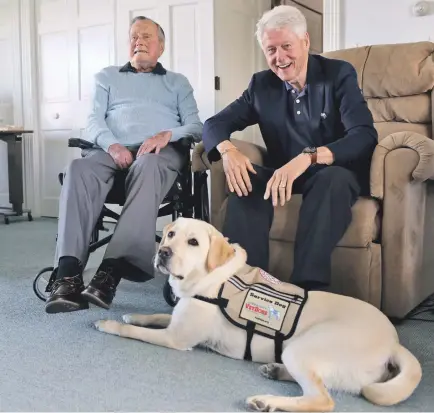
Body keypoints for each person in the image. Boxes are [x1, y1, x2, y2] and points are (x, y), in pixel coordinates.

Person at [202, 5, 378, 292]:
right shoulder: (261, 85)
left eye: (287, 46)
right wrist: (228, 151)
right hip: (283, 175)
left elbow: (364, 135)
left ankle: (307, 288)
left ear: (305, 42)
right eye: (271, 49)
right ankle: (244, 283)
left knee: (332, 179)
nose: (279, 58)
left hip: (333, 172)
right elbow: (213, 124)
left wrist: (309, 157)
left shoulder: (338, 74)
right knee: (245, 182)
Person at [45, 16, 203, 314]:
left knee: (149, 164)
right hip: (112, 152)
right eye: (133, 36)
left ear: (161, 46)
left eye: (146, 36)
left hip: (158, 154)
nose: (138, 41)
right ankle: (67, 274)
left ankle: (110, 271)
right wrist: (111, 144)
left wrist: (167, 134)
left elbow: (196, 126)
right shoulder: (107, 77)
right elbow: (93, 120)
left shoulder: (177, 83)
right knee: (77, 169)